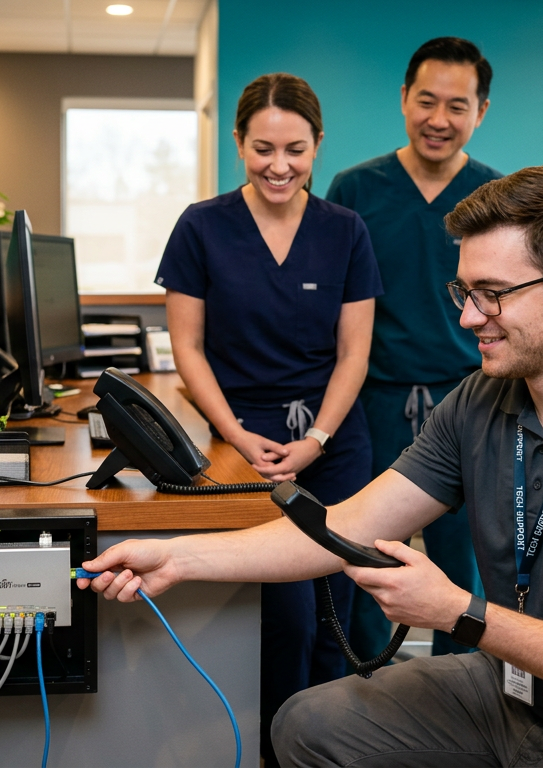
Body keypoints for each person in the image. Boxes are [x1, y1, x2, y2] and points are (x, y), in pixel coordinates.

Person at [89, 166, 543, 767]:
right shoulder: (482, 401)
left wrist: (458, 610)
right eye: (464, 290)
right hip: (507, 693)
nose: (467, 317)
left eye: (492, 295)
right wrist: (178, 558)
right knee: (306, 723)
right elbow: (347, 523)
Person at [153, 72, 383, 764]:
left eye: (295, 149)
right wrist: (232, 433)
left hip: (333, 443)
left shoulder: (345, 230)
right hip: (242, 447)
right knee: (282, 618)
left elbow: (355, 354)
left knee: (338, 617)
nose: (279, 165)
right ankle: (275, 752)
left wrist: (315, 439)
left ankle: (332, 749)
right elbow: (187, 347)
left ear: (317, 146)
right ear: (238, 143)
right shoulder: (202, 226)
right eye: (262, 149)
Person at [325, 36, 502, 661]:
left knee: (465, 568)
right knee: (366, 556)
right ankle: (365, 698)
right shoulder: (355, 191)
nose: (439, 119)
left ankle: (462, 706)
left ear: (481, 111)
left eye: (458, 106)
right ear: (403, 99)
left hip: (473, 400)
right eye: (426, 101)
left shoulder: (498, 199)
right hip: (372, 402)